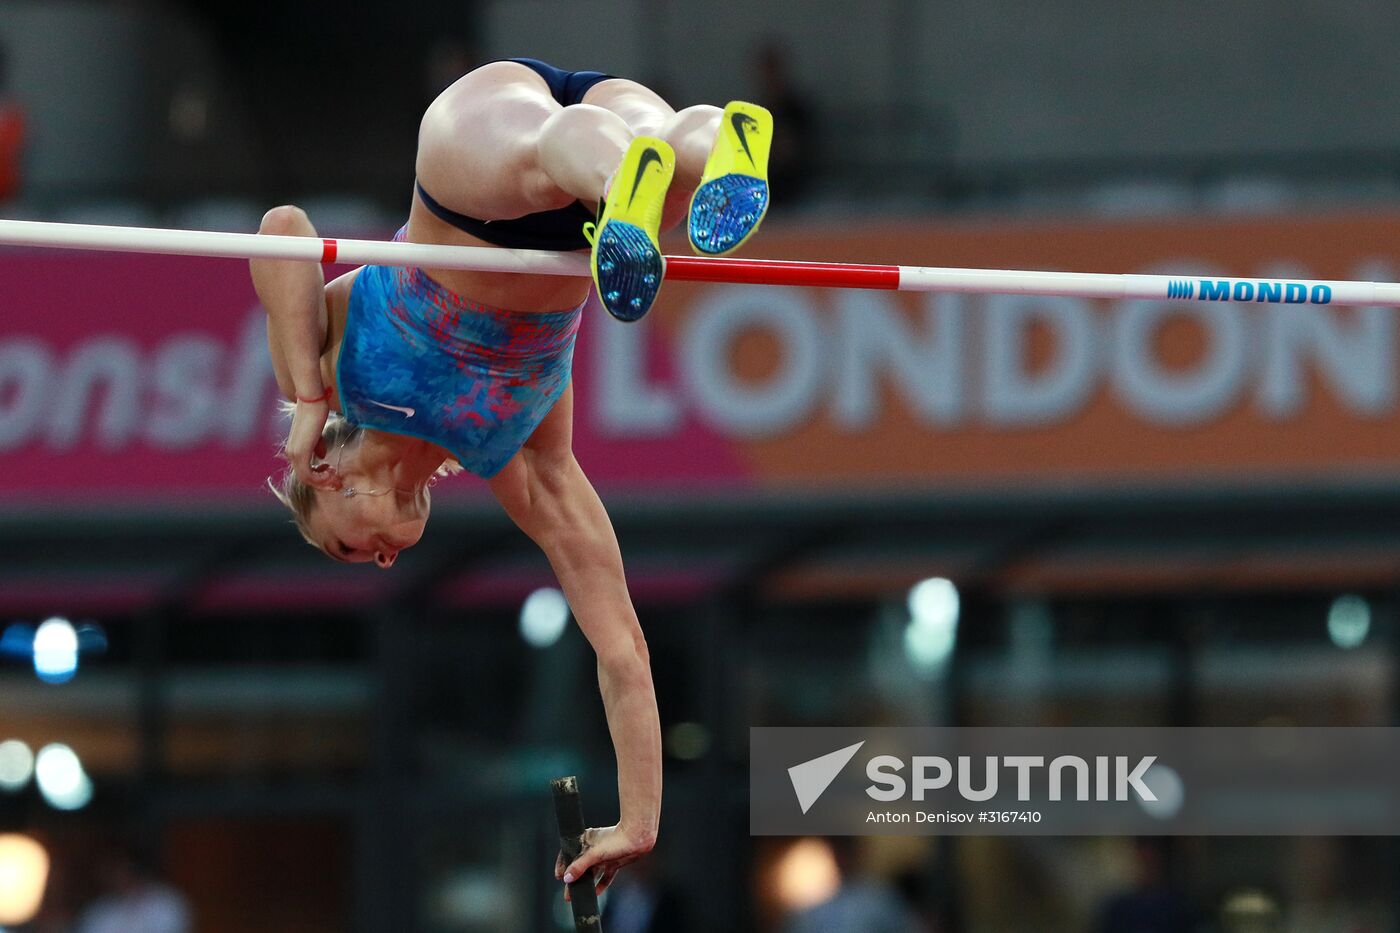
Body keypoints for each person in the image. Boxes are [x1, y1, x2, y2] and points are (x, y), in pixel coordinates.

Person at [253, 57, 773, 897]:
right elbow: (621, 646)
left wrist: (305, 397)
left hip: (471, 185)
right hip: (578, 232)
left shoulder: (337, 368)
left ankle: (625, 193)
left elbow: (279, 228)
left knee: (541, 152)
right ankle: (716, 148)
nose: (385, 561)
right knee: (667, 165)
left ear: (328, 478)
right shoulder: (518, 458)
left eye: (352, 551)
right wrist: (638, 818)